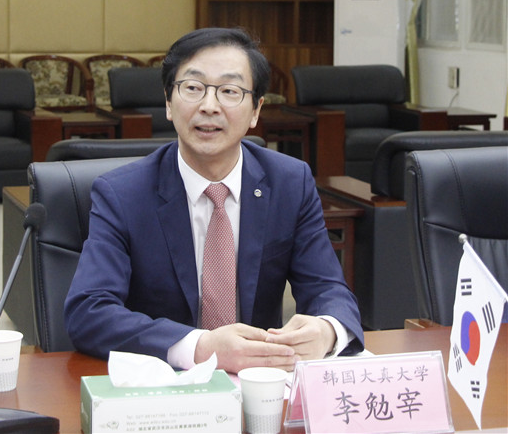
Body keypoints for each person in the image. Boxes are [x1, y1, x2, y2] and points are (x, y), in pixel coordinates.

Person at [65, 27, 364, 374]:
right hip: (164, 386)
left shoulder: (289, 183)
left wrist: (327, 330)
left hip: (260, 385)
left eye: (229, 91)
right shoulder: (122, 194)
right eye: (193, 88)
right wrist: (201, 348)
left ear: (256, 110)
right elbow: (89, 311)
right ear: (168, 102)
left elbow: (328, 287)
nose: (209, 106)